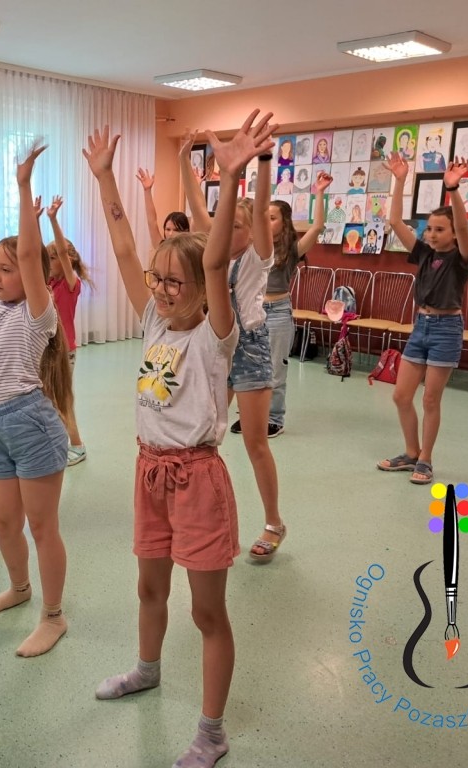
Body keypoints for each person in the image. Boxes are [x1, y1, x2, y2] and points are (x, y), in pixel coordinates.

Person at [85, 110, 275, 768]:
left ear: (202, 290)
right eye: (157, 279)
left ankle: (212, 732)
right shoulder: (154, 320)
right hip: (150, 474)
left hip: (197, 480)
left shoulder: (215, 335)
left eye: (175, 281)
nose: (162, 290)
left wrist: (230, 177)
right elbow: (121, 245)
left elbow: (217, 258)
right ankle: (146, 670)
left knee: (207, 614)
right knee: (149, 590)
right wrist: (106, 179)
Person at [0, 137, 73, 657]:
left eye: (8, 270)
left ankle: (54, 615)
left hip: (31, 426)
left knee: (42, 526)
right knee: (4, 522)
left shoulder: (37, 313)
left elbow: (27, 252)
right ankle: (19, 589)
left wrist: (23, 187)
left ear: (32, 276)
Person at [181, 127, 286, 564]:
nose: (229, 230)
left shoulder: (258, 257)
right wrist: (184, 161)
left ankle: (274, 522)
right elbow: (198, 210)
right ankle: (203, 514)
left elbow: (259, 209)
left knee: (255, 443)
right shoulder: (217, 252)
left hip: (251, 349)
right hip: (218, 347)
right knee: (204, 435)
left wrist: (262, 160)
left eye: (238, 226)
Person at [378, 152, 468, 485]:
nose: (432, 234)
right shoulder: (424, 253)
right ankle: (411, 452)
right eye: (429, 229)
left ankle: (425, 460)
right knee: (401, 396)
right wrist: (399, 181)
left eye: (440, 229)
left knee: (430, 399)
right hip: (420, 326)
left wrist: (453, 189)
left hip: (446, 329)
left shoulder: (461, 258)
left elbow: (463, 227)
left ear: (453, 234)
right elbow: (396, 222)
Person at [253, 170, 332, 438]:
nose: (266, 221)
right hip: (253, 311)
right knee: (251, 367)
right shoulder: (255, 245)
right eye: (265, 217)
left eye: (272, 218)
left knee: (275, 369)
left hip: (277, 312)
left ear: (284, 223)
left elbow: (317, 227)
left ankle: (274, 418)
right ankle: (252, 416)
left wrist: (319, 193)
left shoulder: (292, 249)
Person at [45, 194, 94, 465]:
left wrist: (53, 220)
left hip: (64, 352)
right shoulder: (49, 284)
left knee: (62, 400)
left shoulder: (70, 285)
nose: (49, 262)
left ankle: (77, 445)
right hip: (48, 349)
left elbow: (62, 253)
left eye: (53, 258)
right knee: (48, 399)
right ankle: (55, 442)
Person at [136, 168, 190, 247]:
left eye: (176, 230)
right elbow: (152, 222)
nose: (171, 234)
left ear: (186, 231)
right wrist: (147, 190)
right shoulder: (162, 247)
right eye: (168, 229)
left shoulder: (190, 250)